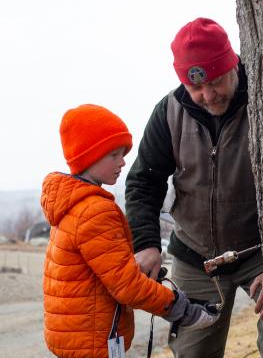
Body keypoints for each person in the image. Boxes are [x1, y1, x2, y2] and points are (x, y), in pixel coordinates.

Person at [125, 18, 263, 357]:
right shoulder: (168, 112)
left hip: (261, 252)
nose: (208, 95)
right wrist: (146, 243)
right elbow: (143, 181)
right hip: (195, 258)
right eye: (196, 88)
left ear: (232, 63)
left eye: (216, 81)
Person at [41, 104, 219, 358]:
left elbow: (105, 271)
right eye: (114, 154)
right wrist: (181, 309)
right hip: (94, 341)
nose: (124, 161)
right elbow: (126, 286)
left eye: (123, 153)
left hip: (76, 336)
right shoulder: (94, 211)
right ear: (89, 157)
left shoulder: (71, 205)